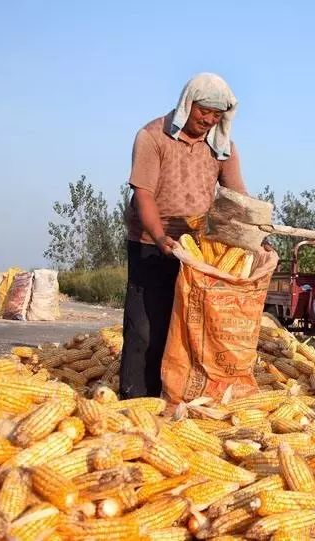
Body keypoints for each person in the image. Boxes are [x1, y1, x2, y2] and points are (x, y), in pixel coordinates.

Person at [120, 73, 248, 398]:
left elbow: (238, 197)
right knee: (147, 328)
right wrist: (161, 237)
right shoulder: (152, 137)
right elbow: (143, 195)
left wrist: (256, 234)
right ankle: (136, 399)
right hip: (152, 244)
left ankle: (176, 397)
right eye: (203, 111)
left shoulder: (222, 148)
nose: (208, 120)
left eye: (216, 115)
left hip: (197, 254)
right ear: (187, 103)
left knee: (189, 332)